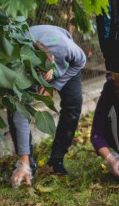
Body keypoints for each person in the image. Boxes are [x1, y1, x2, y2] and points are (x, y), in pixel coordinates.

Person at [9, 25, 86, 187]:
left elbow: (81, 61)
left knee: (73, 105)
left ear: (51, 61)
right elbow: (20, 115)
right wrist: (23, 159)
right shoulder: (19, 70)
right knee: (15, 109)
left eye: (45, 75)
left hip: (66, 62)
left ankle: (56, 161)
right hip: (25, 63)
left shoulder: (65, 49)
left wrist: (55, 85)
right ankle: (27, 164)